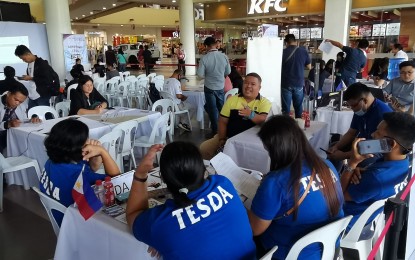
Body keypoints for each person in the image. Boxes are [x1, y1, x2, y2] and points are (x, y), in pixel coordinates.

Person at [126, 142, 256, 260]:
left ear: (164, 180)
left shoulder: (161, 224)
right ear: (203, 170)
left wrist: (141, 174)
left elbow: (133, 214)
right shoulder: (223, 184)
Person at [248, 115, 344, 259]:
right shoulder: (326, 165)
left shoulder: (276, 182)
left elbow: (255, 229)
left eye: (269, 150)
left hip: (293, 254)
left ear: (277, 150)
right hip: (330, 247)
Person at [341, 112, 415, 230]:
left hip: (345, 222)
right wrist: (356, 170)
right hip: (368, 216)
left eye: (378, 133)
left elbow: (338, 196)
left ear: (391, 144)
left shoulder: (376, 177)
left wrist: (352, 163)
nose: (373, 134)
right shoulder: (404, 162)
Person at [39, 118, 120, 226]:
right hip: (78, 224)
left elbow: (92, 168)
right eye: (86, 140)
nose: (89, 141)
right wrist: (103, 152)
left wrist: (96, 152)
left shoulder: (54, 160)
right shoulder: (80, 177)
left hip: (62, 218)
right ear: (77, 149)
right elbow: (116, 179)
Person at [199, 73, 271, 160]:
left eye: (253, 84)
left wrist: (250, 114)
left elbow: (262, 119)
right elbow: (222, 121)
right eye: (246, 83)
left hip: (251, 141)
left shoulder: (264, 102)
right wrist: (222, 139)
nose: (248, 86)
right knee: (204, 149)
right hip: (229, 136)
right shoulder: (232, 100)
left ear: (259, 88)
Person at [328, 83, 392, 169]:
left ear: (364, 100)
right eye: (350, 106)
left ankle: (347, 178)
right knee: (334, 147)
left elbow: (379, 147)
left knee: (362, 162)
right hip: (361, 145)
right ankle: (333, 176)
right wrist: (337, 147)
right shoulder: (361, 109)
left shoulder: (383, 114)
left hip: (376, 151)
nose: (353, 109)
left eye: (354, 106)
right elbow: (351, 133)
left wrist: (344, 155)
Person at [197, 36, 231, 136]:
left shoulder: (204, 58)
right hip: (221, 86)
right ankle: (225, 130)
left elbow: (200, 75)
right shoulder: (224, 56)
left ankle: (215, 132)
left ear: (206, 46)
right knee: (222, 109)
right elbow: (228, 71)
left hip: (209, 87)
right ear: (215, 44)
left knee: (212, 110)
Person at [0, 82, 41, 152]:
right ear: (9, 94)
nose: (17, 103)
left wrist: (31, 120)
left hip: (13, 138)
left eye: (21, 102)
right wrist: (7, 124)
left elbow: (21, 121)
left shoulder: (21, 106)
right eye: (15, 99)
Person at [280, 34, 311, 118]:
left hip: (286, 83)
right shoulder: (303, 51)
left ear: (286, 43)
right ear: (295, 41)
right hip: (299, 83)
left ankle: (286, 127)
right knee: (298, 107)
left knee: (286, 108)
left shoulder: (282, 52)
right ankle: (299, 125)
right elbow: (309, 67)